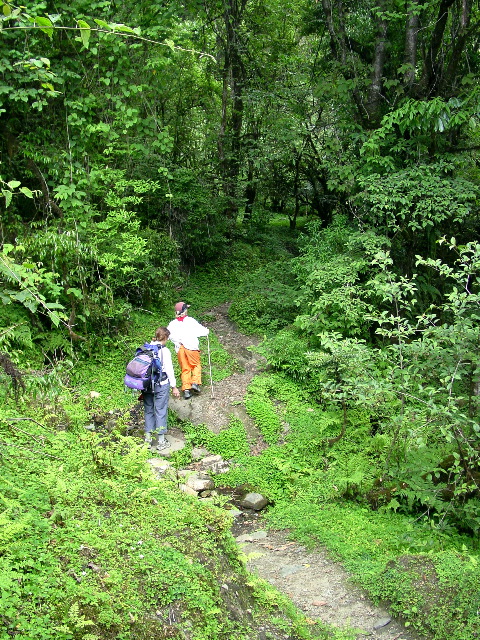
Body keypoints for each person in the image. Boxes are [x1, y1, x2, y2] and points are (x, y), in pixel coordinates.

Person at [142, 326, 180, 452]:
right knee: (160, 410)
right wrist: (174, 386)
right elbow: (169, 370)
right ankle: (161, 441)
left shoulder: (146, 347)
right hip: (161, 384)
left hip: (146, 385)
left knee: (148, 410)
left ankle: (147, 440)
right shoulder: (165, 351)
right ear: (165, 337)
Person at [167, 302, 209, 400]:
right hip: (191, 347)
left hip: (180, 348)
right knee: (196, 365)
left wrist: (178, 341)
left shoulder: (172, 324)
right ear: (185, 311)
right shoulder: (190, 321)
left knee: (185, 368)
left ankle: (186, 390)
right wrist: (207, 331)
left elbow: (168, 335)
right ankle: (195, 383)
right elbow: (201, 331)